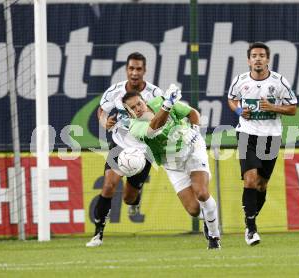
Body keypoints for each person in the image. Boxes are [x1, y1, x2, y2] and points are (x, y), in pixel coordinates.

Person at [122, 85, 221, 249]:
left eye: (139, 104)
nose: (137, 109)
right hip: (172, 164)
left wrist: (195, 131)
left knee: (202, 193)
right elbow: (153, 128)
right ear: (129, 113)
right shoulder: (134, 126)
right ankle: (209, 219)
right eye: (132, 108)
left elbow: (192, 113)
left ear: (144, 101)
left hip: (192, 151)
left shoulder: (160, 101)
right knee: (194, 210)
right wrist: (167, 104)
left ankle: (214, 237)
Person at [86, 52, 163, 247]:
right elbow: (102, 110)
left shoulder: (154, 94)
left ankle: (136, 200)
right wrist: (105, 121)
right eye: (131, 68)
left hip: (144, 149)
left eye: (138, 69)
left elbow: (163, 117)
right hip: (120, 144)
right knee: (108, 185)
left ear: (144, 71)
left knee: (129, 198)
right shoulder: (115, 91)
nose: (134, 72)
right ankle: (98, 234)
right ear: (126, 70)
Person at [227, 42, 297, 246]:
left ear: (267, 59)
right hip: (247, 134)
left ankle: (250, 218)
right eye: (254, 56)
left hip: (271, 136)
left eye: (261, 56)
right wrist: (239, 111)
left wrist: (274, 107)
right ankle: (251, 229)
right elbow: (231, 99)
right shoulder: (240, 80)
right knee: (250, 180)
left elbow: (293, 108)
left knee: (261, 184)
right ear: (249, 60)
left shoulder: (279, 82)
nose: (258, 59)